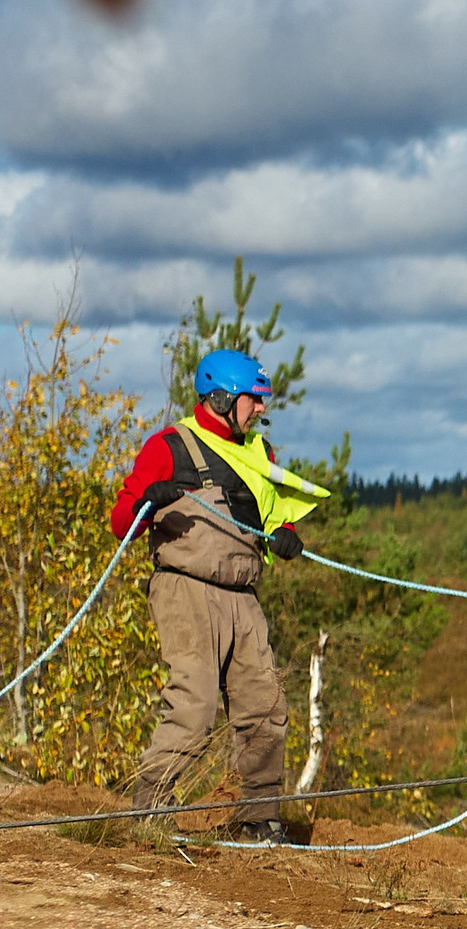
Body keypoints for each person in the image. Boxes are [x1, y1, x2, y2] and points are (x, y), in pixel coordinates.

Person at [108, 349, 321, 843]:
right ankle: (150, 814)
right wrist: (146, 502)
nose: (261, 410)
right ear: (223, 398)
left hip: (242, 595)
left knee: (266, 707)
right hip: (185, 589)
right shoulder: (168, 446)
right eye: (254, 400)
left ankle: (258, 820)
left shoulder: (259, 453)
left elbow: (269, 513)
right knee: (195, 705)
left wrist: (284, 534)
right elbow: (120, 524)